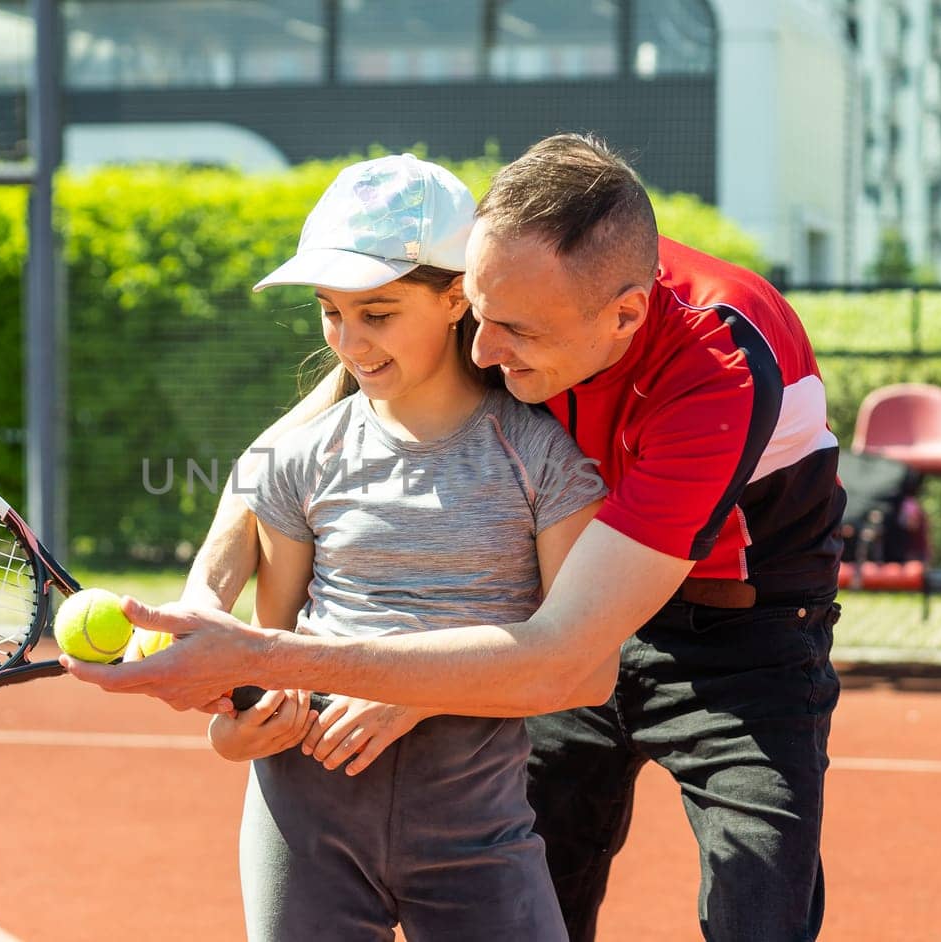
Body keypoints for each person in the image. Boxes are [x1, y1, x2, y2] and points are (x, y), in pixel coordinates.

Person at [67, 134, 846, 941]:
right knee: (550, 898)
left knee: (762, 917)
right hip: (562, 599)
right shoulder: (509, 263)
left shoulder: (717, 366)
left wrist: (285, 660)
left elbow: (567, 656)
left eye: (511, 332)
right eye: (477, 313)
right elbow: (286, 448)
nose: (479, 350)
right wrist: (208, 592)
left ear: (623, 316)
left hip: (738, 634)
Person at [192, 153, 609, 941]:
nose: (350, 342)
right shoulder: (299, 458)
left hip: (477, 842)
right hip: (301, 833)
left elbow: (583, 672)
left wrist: (416, 686)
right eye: (330, 312)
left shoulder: (546, 459)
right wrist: (232, 730)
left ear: (457, 297)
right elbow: (266, 651)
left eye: (377, 313)